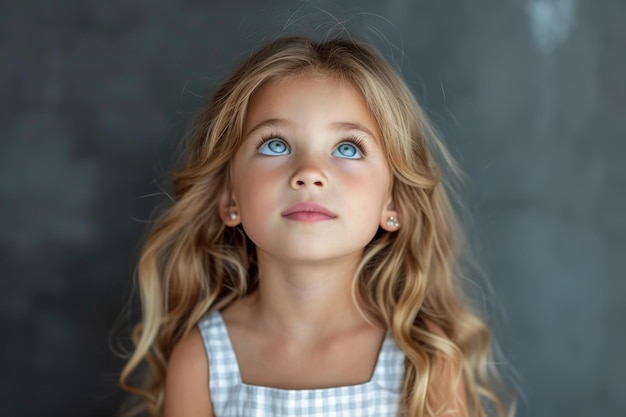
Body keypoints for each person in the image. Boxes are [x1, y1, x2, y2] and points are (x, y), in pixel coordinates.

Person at [118, 36, 513, 417]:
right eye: (275, 144)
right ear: (229, 199)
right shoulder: (201, 361)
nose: (309, 173)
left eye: (347, 148)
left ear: (393, 204)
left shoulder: (425, 362)